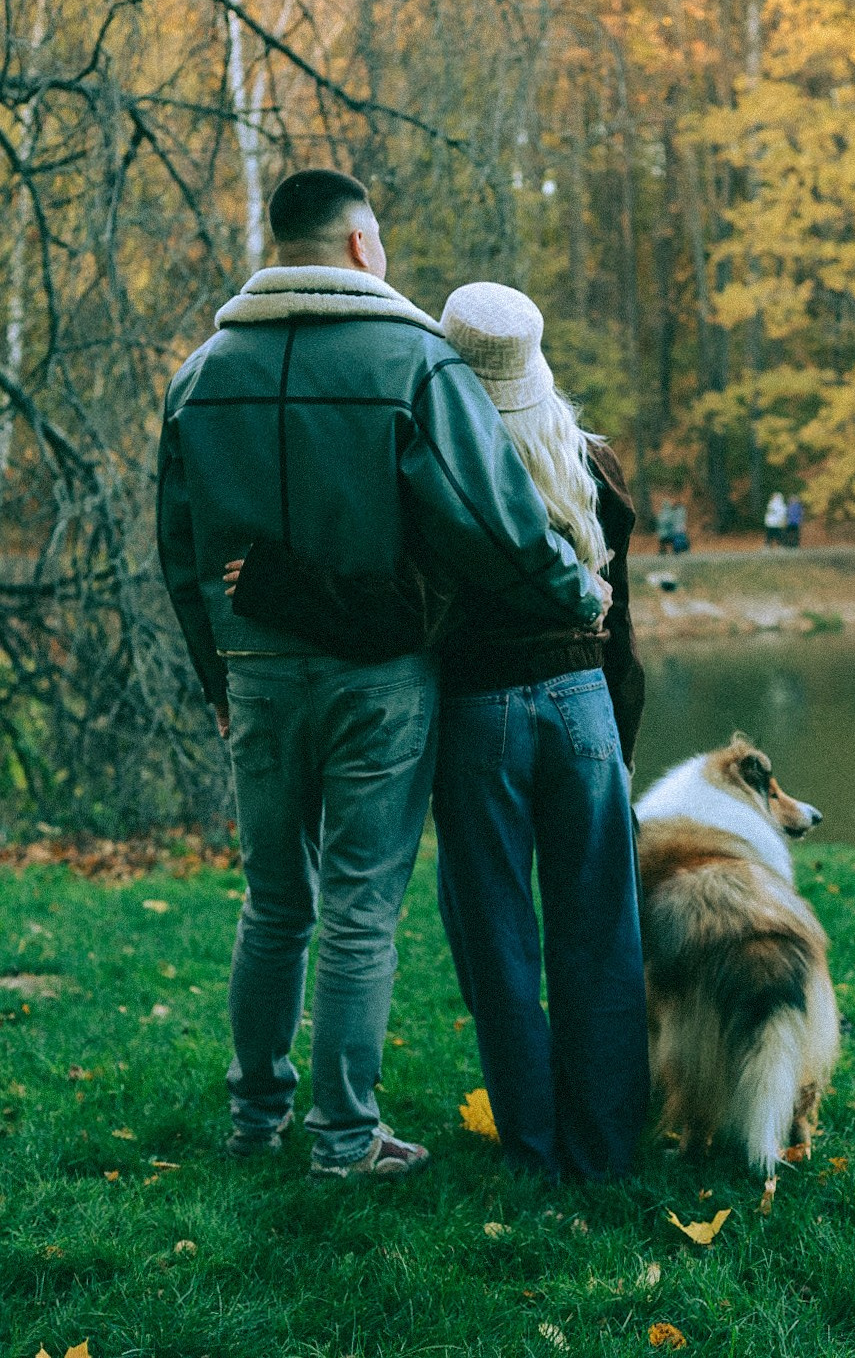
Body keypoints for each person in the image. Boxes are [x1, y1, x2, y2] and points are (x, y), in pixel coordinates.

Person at [156, 170, 606, 1182]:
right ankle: (346, 1137)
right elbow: (490, 516)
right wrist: (576, 589)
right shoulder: (414, 360)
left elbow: (180, 551)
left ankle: (255, 1113)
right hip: (380, 681)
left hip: (255, 672)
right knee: (360, 904)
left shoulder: (197, 376)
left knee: (274, 900)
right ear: (362, 247)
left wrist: (216, 680)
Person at [431, 284, 649, 1181]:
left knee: (498, 940)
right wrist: (619, 747)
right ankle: (604, 1151)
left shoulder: (433, 459)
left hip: (478, 712)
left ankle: (532, 1147)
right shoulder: (588, 461)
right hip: (583, 702)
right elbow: (622, 628)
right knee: (601, 933)